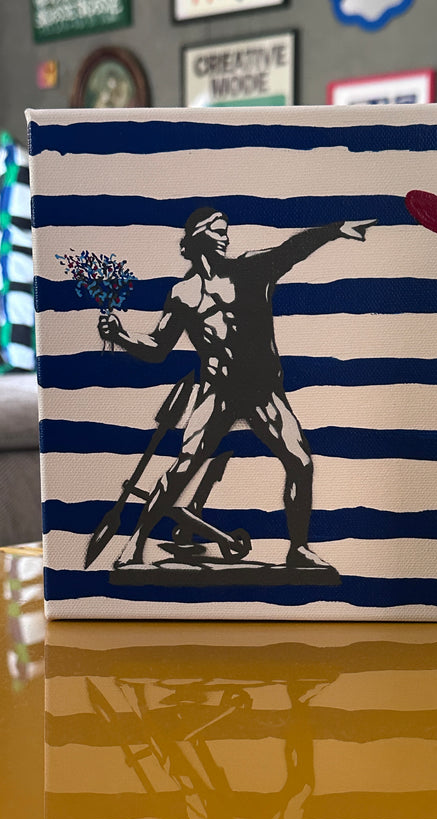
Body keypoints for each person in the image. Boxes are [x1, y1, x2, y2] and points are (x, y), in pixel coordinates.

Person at [98, 207, 375, 569]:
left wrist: (336, 228)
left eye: (226, 230)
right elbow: (157, 348)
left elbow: (294, 248)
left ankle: (299, 549)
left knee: (301, 463)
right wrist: (120, 335)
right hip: (219, 392)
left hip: (263, 390)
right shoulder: (183, 293)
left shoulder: (252, 269)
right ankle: (135, 544)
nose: (225, 237)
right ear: (197, 237)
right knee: (184, 466)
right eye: (217, 230)